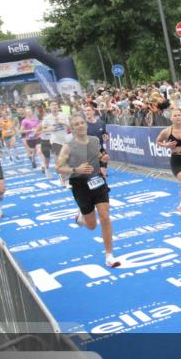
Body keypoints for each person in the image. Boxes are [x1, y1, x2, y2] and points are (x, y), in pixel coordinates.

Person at [56, 115, 120, 268]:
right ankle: (81, 218)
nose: (80, 125)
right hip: (80, 185)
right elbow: (58, 167)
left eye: (82, 122)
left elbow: (97, 155)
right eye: (76, 124)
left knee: (105, 217)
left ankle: (109, 255)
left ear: (86, 124)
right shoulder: (68, 146)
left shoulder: (94, 140)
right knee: (92, 225)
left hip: (97, 181)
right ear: (72, 128)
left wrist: (103, 159)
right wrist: (75, 169)